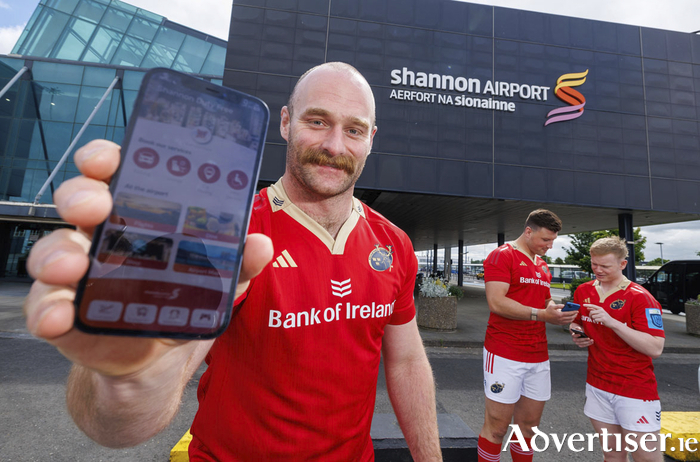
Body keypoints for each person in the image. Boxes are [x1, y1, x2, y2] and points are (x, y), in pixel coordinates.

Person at [24, 62, 442, 461]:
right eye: (316, 121)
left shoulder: (393, 243)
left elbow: (405, 362)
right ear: (285, 122)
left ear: (371, 138)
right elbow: (123, 422)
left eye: (353, 129)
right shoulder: (228, 237)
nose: (334, 145)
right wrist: (124, 380)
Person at [477, 209, 577, 462]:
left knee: (529, 428)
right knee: (498, 427)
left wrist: (559, 314)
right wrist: (543, 315)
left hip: (538, 354)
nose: (550, 246)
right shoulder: (502, 256)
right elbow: (496, 303)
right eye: (545, 240)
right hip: (504, 352)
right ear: (528, 231)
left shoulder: (542, 265)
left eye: (553, 241)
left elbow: (545, 301)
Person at [570, 237, 665, 462]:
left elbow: (655, 348)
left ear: (623, 264)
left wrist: (613, 322)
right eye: (594, 264)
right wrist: (575, 331)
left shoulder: (641, 298)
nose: (598, 270)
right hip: (597, 384)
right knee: (612, 454)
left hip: (634, 389)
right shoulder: (583, 290)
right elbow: (577, 322)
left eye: (605, 266)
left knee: (646, 457)